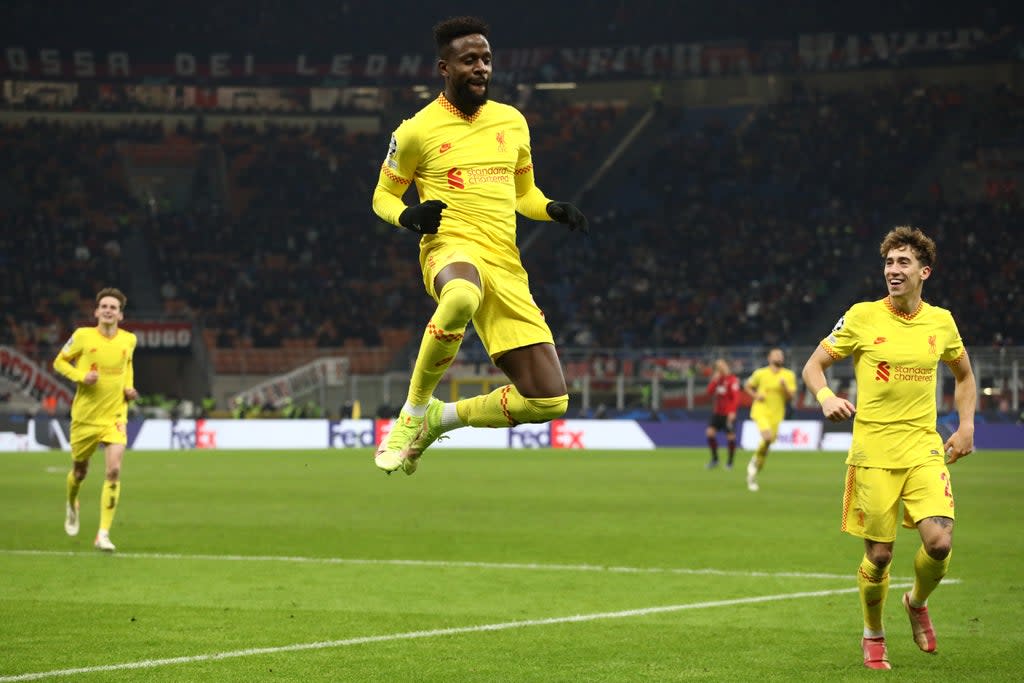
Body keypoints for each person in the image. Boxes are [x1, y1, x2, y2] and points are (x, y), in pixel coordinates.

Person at [370, 16, 588, 475]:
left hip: (505, 264)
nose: (481, 68)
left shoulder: (513, 121)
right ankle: (411, 414)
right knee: (462, 296)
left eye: (486, 59)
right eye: (469, 60)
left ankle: (438, 419)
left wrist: (550, 209)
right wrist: (408, 216)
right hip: (450, 248)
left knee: (549, 399)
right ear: (443, 68)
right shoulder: (415, 131)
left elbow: (523, 195)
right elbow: (382, 196)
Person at [801, 227, 975, 670]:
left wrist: (967, 426)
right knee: (879, 556)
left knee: (939, 542)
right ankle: (873, 632)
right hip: (873, 451)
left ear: (924, 272)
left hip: (923, 448)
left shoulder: (942, 322)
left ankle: (916, 602)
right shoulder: (861, 316)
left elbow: (965, 376)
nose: (893, 271)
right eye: (888, 263)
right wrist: (826, 398)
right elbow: (814, 366)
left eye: (902, 263)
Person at [53, 288, 138, 552]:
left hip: (115, 415)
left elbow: (128, 366)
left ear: (120, 314)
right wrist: (81, 376)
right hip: (85, 418)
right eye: (104, 306)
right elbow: (59, 362)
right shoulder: (82, 336)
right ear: (96, 311)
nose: (108, 310)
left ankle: (103, 533)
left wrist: (128, 388)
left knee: (113, 470)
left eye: (113, 307)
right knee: (80, 472)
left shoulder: (129, 340)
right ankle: (72, 502)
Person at [743, 348, 796, 491]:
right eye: (776, 354)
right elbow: (747, 386)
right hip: (760, 410)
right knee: (766, 437)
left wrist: (784, 386)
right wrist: (755, 396)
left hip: (777, 414)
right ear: (769, 358)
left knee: (766, 446)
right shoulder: (760, 373)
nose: (779, 356)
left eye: (781, 354)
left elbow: (791, 396)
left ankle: (754, 470)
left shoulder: (788, 375)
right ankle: (754, 462)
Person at [705, 359, 740, 469]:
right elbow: (709, 392)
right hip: (717, 412)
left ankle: (730, 462)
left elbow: (735, 398)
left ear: (726, 366)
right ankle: (715, 459)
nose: (721, 368)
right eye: (718, 366)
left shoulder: (732, 380)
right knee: (710, 433)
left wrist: (732, 412)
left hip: (728, 413)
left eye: (722, 366)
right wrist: (714, 381)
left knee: (730, 437)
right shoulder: (717, 380)